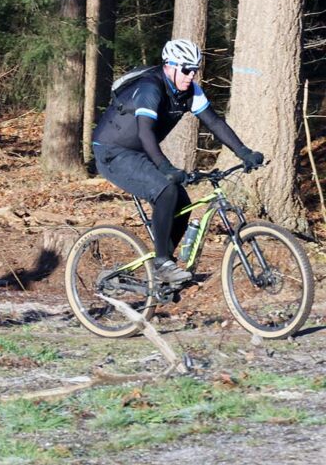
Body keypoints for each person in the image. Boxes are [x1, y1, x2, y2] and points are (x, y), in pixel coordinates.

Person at [92, 38, 264, 284]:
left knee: (182, 204)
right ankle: (162, 264)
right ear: (169, 66)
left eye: (195, 69)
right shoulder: (151, 88)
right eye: (186, 69)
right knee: (166, 190)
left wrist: (244, 152)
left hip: (138, 152)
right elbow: (145, 132)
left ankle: (163, 267)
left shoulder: (190, 91)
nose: (190, 75)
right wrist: (165, 167)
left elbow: (214, 123)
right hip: (112, 151)